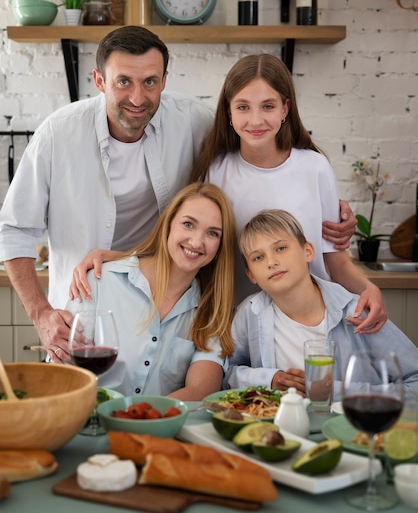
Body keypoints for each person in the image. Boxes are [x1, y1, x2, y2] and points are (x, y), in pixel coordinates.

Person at [0, 26, 214, 364]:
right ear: (99, 81)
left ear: (164, 80)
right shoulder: (59, 133)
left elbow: (250, 152)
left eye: (150, 82)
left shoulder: (193, 122)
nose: (138, 98)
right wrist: (41, 314)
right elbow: (13, 228)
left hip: (163, 315)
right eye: (123, 81)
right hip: (80, 318)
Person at [190, 54, 387, 332]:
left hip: (314, 323)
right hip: (240, 325)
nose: (256, 120)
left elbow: (334, 260)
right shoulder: (216, 172)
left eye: (268, 106)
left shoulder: (314, 168)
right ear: (228, 112)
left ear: (285, 109)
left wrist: (369, 288)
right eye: (243, 107)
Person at [66, 182, 236, 400]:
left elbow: (201, 391)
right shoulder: (99, 281)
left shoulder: (212, 312)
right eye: (188, 224)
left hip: (161, 429)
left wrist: (139, 418)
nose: (196, 241)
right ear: (168, 225)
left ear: (221, 245)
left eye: (212, 233)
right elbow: (64, 369)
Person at [224, 209, 418, 397]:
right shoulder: (250, 313)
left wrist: (338, 392)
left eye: (281, 248)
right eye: (258, 257)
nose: (271, 262)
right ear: (251, 275)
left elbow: (414, 380)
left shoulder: (357, 312)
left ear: (307, 251)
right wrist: (268, 380)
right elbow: (224, 372)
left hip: (352, 426)